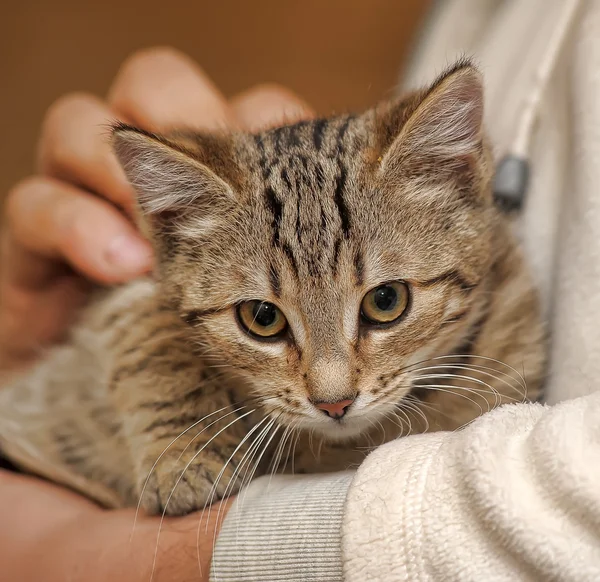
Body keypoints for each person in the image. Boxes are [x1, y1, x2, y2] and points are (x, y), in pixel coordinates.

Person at [2, 0, 600, 580]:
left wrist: (80, 556)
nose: (331, 389)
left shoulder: (505, 340)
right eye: (265, 319)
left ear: (458, 181)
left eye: (383, 303)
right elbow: (150, 299)